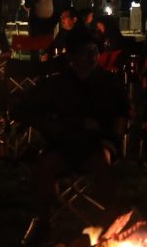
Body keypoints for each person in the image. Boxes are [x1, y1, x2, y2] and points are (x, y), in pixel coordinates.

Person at [16, 32, 130, 234]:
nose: (92, 57)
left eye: (95, 52)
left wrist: (115, 138)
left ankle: (111, 222)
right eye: (85, 52)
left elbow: (122, 112)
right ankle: (43, 221)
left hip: (96, 143)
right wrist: (50, 123)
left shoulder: (108, 83)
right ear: (72, 56)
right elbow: (22, 109)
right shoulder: (56, 84)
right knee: (45, 167)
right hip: (63, 143)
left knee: (103, 165)